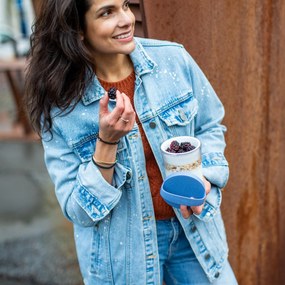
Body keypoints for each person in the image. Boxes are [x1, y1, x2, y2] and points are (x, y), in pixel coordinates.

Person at [25, 0, 238, 284]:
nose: (126, 19)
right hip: (123, 257)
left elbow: (210, 124)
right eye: (107, 12)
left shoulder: (172, 60)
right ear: (77, 29)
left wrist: (205, 179)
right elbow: (78, 209)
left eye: (125, 5)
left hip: (194, 233)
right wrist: (107, 142)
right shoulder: (61, 104)